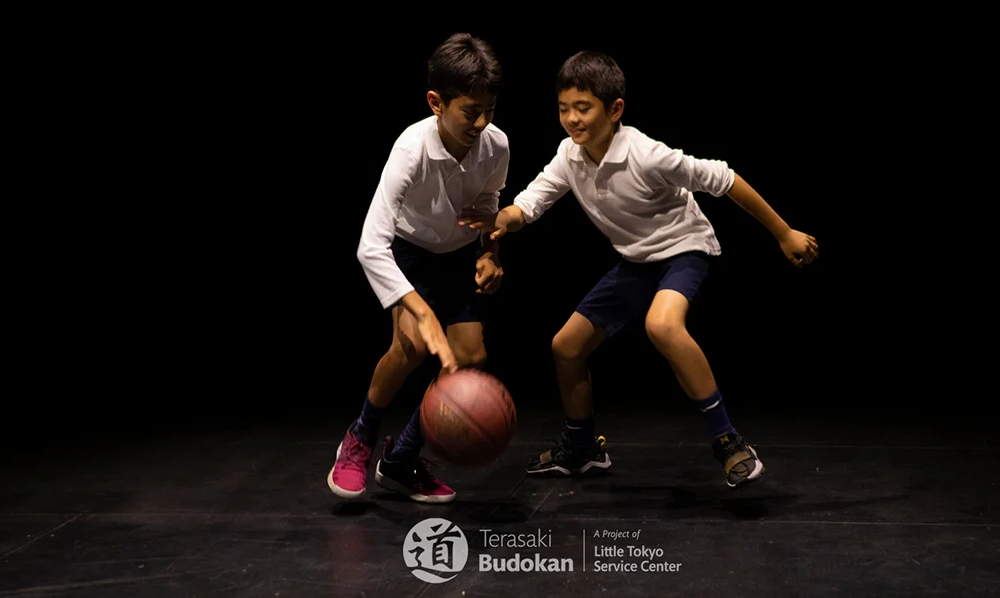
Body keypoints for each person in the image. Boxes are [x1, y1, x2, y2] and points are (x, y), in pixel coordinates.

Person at [460, 51, 818, 489]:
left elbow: (724, 179)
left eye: (583, 108)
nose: (572, 119)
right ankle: (581, 448)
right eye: (563, 108)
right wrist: (498, 222)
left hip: (686, 250)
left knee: (663, 326)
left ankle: (728, 440)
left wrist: (784, 233)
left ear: (615, 110)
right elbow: (530, 204)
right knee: (566, 347)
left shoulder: (647, 155)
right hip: (637, 262)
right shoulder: (568, 156)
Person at [328, 33, 508, 503]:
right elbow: (371, 246)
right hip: (407, 255)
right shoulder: (412, 148)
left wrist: (489, 253)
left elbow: (487, 205)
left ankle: (402, 457)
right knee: (409, 345)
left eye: (490, 108)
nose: (482, 121)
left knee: (469, 358)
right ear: (436, 102)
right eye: (471, 110)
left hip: (456, 257)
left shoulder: (496, 145)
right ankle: (360, 438)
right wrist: (421, 312)